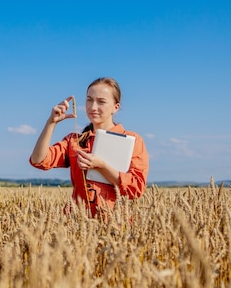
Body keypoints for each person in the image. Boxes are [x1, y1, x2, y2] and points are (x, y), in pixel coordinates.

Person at [29, 77, 149, 218]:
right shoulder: (75, 140)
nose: (93, 107)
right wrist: (51, 123)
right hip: (76, 223)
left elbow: (136, 189)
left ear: (115, 107)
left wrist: (102, 166)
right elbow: (38, 160)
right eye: (89, 100)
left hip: (115, 225)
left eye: (101, 102)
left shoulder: (133, 141)